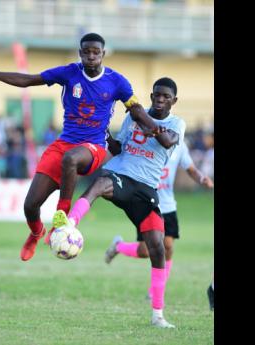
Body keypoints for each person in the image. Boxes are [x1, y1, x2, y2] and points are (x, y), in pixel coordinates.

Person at [0, 33, 164, 261]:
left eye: (96, 52)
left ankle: (61, 218)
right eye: (86, 52)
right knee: (30, 206)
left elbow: (136, 110)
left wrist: (155, 127)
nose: (91, 56)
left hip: (94, 146)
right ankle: (36, 233)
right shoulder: (69, 73)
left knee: (72, 158)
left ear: (103, 54)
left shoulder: (117, 81)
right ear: (80, 53)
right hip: (64, 143)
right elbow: (27, 80)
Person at [52, 77, 184, 328]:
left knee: (156, 249)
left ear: (173, 101)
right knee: (99, 184)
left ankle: (158, 316)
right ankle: (69, 223)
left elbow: (168, 141)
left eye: (166, 96)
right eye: (156, 94)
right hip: (123, 176)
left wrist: (150, 127)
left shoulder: (176, 123)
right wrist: (103, 136)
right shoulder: (133, 116)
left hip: (146, 189)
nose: (160, 99)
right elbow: (119, 147)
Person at [103, 139, 214, 301]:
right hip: (146, 203)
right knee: (145, 251)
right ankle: (119, 246)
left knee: (167, 247)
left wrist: (202, 179)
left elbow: (190, 169)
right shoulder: (145, 141)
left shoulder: (179, 146)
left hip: (168, 205)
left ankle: (154, 291)